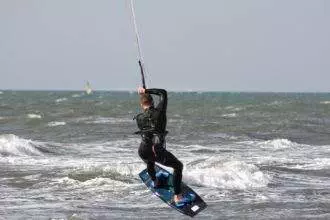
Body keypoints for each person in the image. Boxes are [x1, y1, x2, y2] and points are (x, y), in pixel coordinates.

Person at [135, 87, 185, 204]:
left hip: (142, 150)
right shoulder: (160, 112)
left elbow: (148, 130)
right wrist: (146, 90)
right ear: (152, 102)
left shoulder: (139, 118)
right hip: (156, 150)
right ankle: (177, 195)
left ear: (142, 105)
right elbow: (163, 93)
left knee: (149, 161)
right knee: (178, 166)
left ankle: (155, 180)